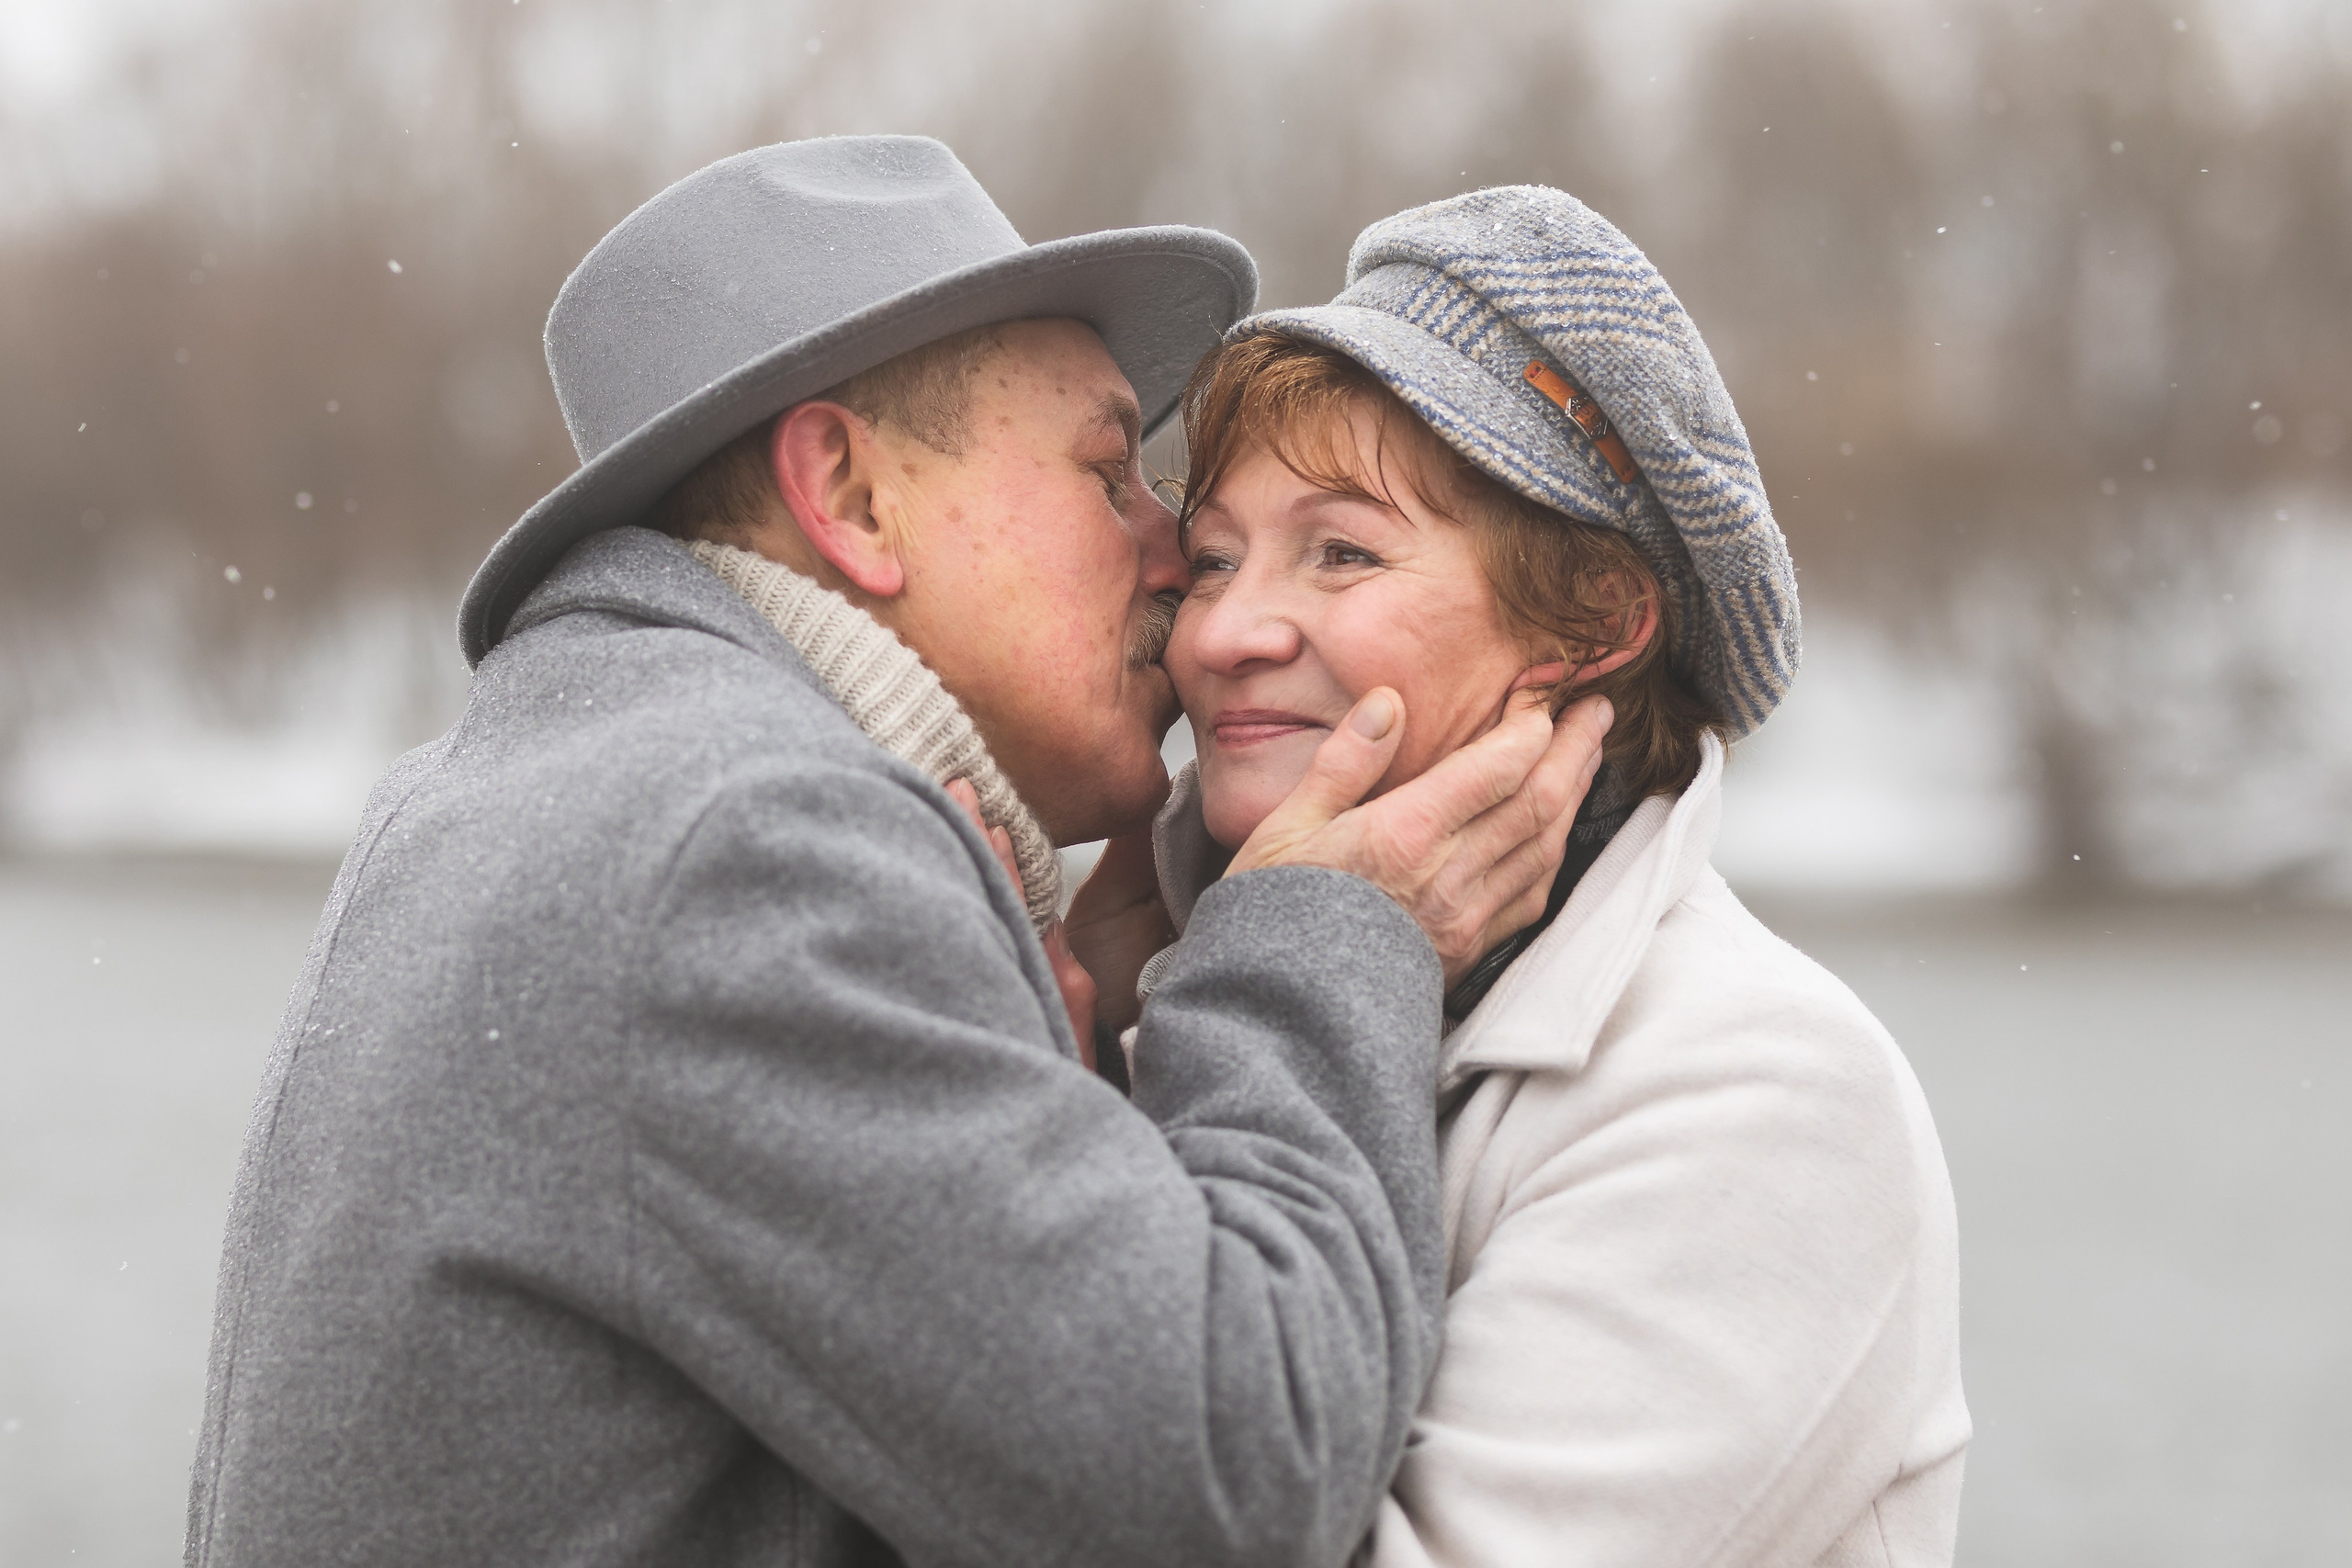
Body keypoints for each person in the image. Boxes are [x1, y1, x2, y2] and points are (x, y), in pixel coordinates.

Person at [183, 138, 1611, 1568]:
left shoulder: (570, 777)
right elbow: (1228, 1480)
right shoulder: (740, 842)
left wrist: (1107, 1052)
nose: (1175, 548)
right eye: (1111, 470)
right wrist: (1324, 936)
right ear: (853, 500)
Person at [1114, 186, 1969, 1565]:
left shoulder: (1754, 1092)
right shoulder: (1147, 985)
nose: (1224, 633)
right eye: (1212, 559)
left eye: (1342, 551)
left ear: (1590, 621)